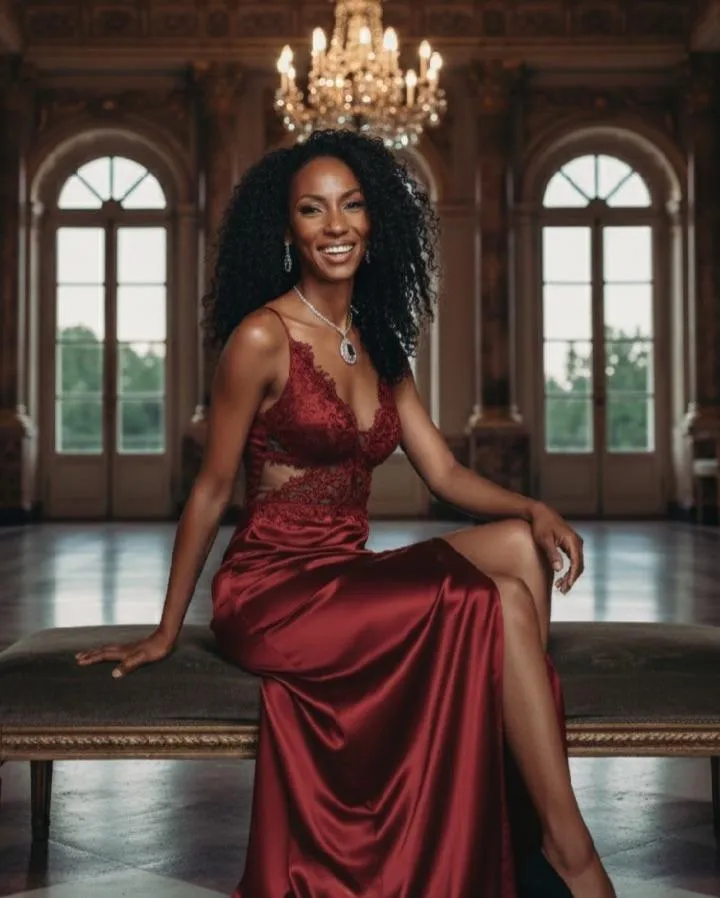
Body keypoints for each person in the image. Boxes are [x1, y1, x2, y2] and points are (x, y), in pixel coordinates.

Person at [76, 129, 615, 898]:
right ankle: (570, 846)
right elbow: (209, 490)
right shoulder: (262, 337)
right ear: (287, 230)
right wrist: (168, 628)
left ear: (376, 220)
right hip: (271, 593)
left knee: (520, 552)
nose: (336, 225)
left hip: (343, 574)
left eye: (352, 205)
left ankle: (514, 806)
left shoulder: (380, 339)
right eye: (313, 209)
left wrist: (535, 506)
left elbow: (445, 471)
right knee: (487, 600)